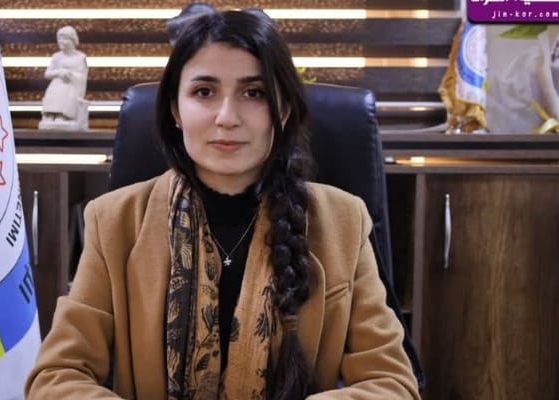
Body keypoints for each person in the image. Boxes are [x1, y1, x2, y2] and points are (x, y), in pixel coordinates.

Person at [26, 9, 421, 400]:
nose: (227, 117)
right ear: (175, 109)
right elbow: (57, 376)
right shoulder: (113, 221)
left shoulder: (344, 221)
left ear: (283, 109)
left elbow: (392, 383)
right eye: (204, 92)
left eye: (254, 93)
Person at [39, 25, 88, 130]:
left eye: (64, 38)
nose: (61, 41)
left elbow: (82, 76)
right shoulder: (56, 56)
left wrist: (70, 74)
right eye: (59, 38)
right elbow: (47, 74)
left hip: (72, 85)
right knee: (54, 90)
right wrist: (59, 72)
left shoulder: (80, 57)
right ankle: (50, 115)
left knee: (66, 90)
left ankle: (63, 116)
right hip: (57, 84)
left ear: (72, 40)